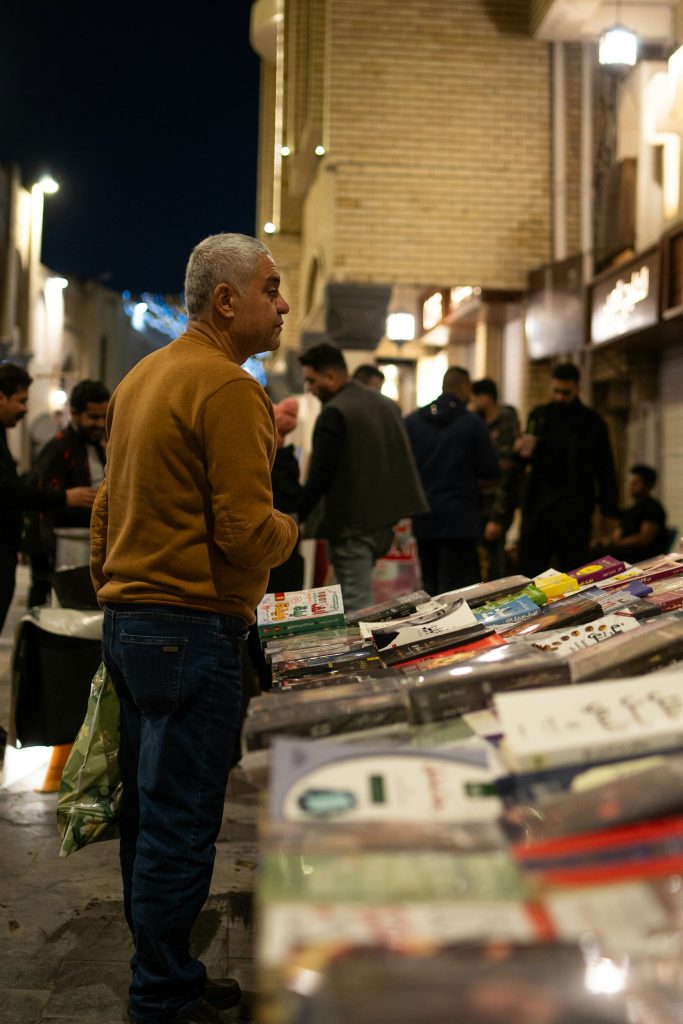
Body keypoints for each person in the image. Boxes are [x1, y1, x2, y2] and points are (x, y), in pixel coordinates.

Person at [92, 233, 298, 1024]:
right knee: (180, 821)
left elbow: (106, 507)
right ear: (225, 300)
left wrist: (118, 587)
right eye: (270, 289)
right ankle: (163, 996)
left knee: (148, 817)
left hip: (131, 622)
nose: (282, 305)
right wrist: (289, 529)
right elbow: (245, 533)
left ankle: (164, 968)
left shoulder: (142, 377)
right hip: (191, 628)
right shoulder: (229, 389)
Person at [297, 343, 427, 612]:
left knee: (357, 606)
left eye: (311, 380)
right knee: (361, 599)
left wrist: (298, 515)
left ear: (330, 376)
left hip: (350, 526)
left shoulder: (335, 412)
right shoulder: (385, 405)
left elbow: (321, 473)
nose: (309, 388)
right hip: (384, 524)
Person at [0, 363, 97, 633]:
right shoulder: (59, 447)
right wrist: (64, 498)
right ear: (1, 397)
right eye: (21, 401)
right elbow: (8, 490)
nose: (25, 409)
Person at [516, 362, 619, 577]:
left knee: (574, 572)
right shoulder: (539, 416)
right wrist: (519, 452)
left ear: (577, 389)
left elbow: (605, 469)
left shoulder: (592, 422)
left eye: (565, 393)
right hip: (539, 507)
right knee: (530, 571)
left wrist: (609, 511)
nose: (559, 397)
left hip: (574, 510)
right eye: (555, 391)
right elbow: (524, 460)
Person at [404, 366, 500, 595]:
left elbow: (403, 469)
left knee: (429, 588)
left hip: (424, 519)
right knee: (457, 592)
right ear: (465, 387)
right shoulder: (473, 424)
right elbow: (490, 471)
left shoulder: (413, 422)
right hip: (461, 521)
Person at [27, 378, 110, 606]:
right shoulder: (57, 448)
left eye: (104, 417)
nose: (100, 424)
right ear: (74, 413)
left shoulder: (99, 445)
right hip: (60, 549)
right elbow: (39, 499)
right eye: (93, 417)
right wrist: (69, 498)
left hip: (87, 544)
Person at [470, 378, 522, 580]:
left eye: (474, 398)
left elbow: (507, 472)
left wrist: (498, 516)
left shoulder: (507, 422)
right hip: (478, 501)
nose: (472, 403)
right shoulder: (477, 421)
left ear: (485, 398)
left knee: (495, 557)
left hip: (499, 501)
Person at [603, 464, 669, 564]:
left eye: (636, 483)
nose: (631, 486)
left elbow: (644, 539)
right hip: (624, 553)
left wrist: (616, 543)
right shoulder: (632, 508)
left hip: (641, 557)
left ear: (648, 485)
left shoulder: (653, 508)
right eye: (631, 482)